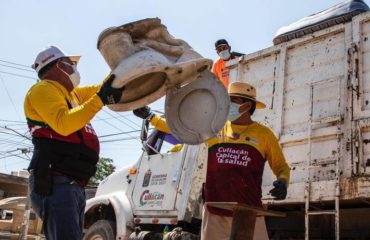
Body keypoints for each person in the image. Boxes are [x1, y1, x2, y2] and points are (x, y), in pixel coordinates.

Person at [133, 82, 290, 240]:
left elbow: (281, 166)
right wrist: (150, 117)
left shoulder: (264, 135)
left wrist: (283, 181)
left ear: (247, 105)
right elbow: (180, 129)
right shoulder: (215, 128)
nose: (226, 106)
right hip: (215, 212)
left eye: (232, 101)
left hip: (249, 213)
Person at [24, 46, 124, 239]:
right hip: (56, 180)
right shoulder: (42, 89)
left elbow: (104, 87)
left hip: (73, 183)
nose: (74, 69)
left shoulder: (73, 94)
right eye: (71, 64)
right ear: (59, 66)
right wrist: (100, 99)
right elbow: (64, 124)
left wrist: (124, 64)